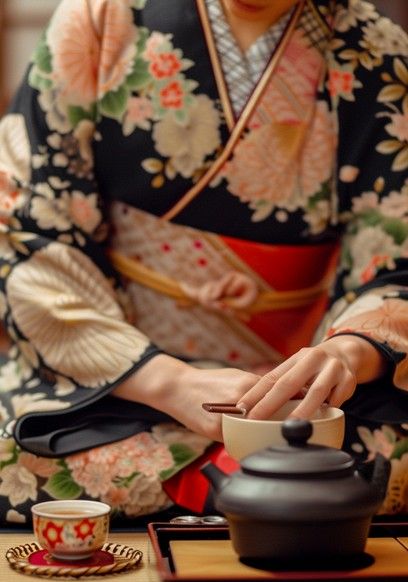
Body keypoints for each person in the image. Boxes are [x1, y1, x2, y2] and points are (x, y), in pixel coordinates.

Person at [0, 0, 407, 527]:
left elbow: (395, 260)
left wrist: (350, 353)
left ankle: (228, 483)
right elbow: (31, 233)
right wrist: (172, 385)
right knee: (18, 453)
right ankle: (260, 490)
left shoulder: (379, 53)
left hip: (298, 396)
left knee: (388, 453)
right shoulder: (102, 20)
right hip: (118, 383)